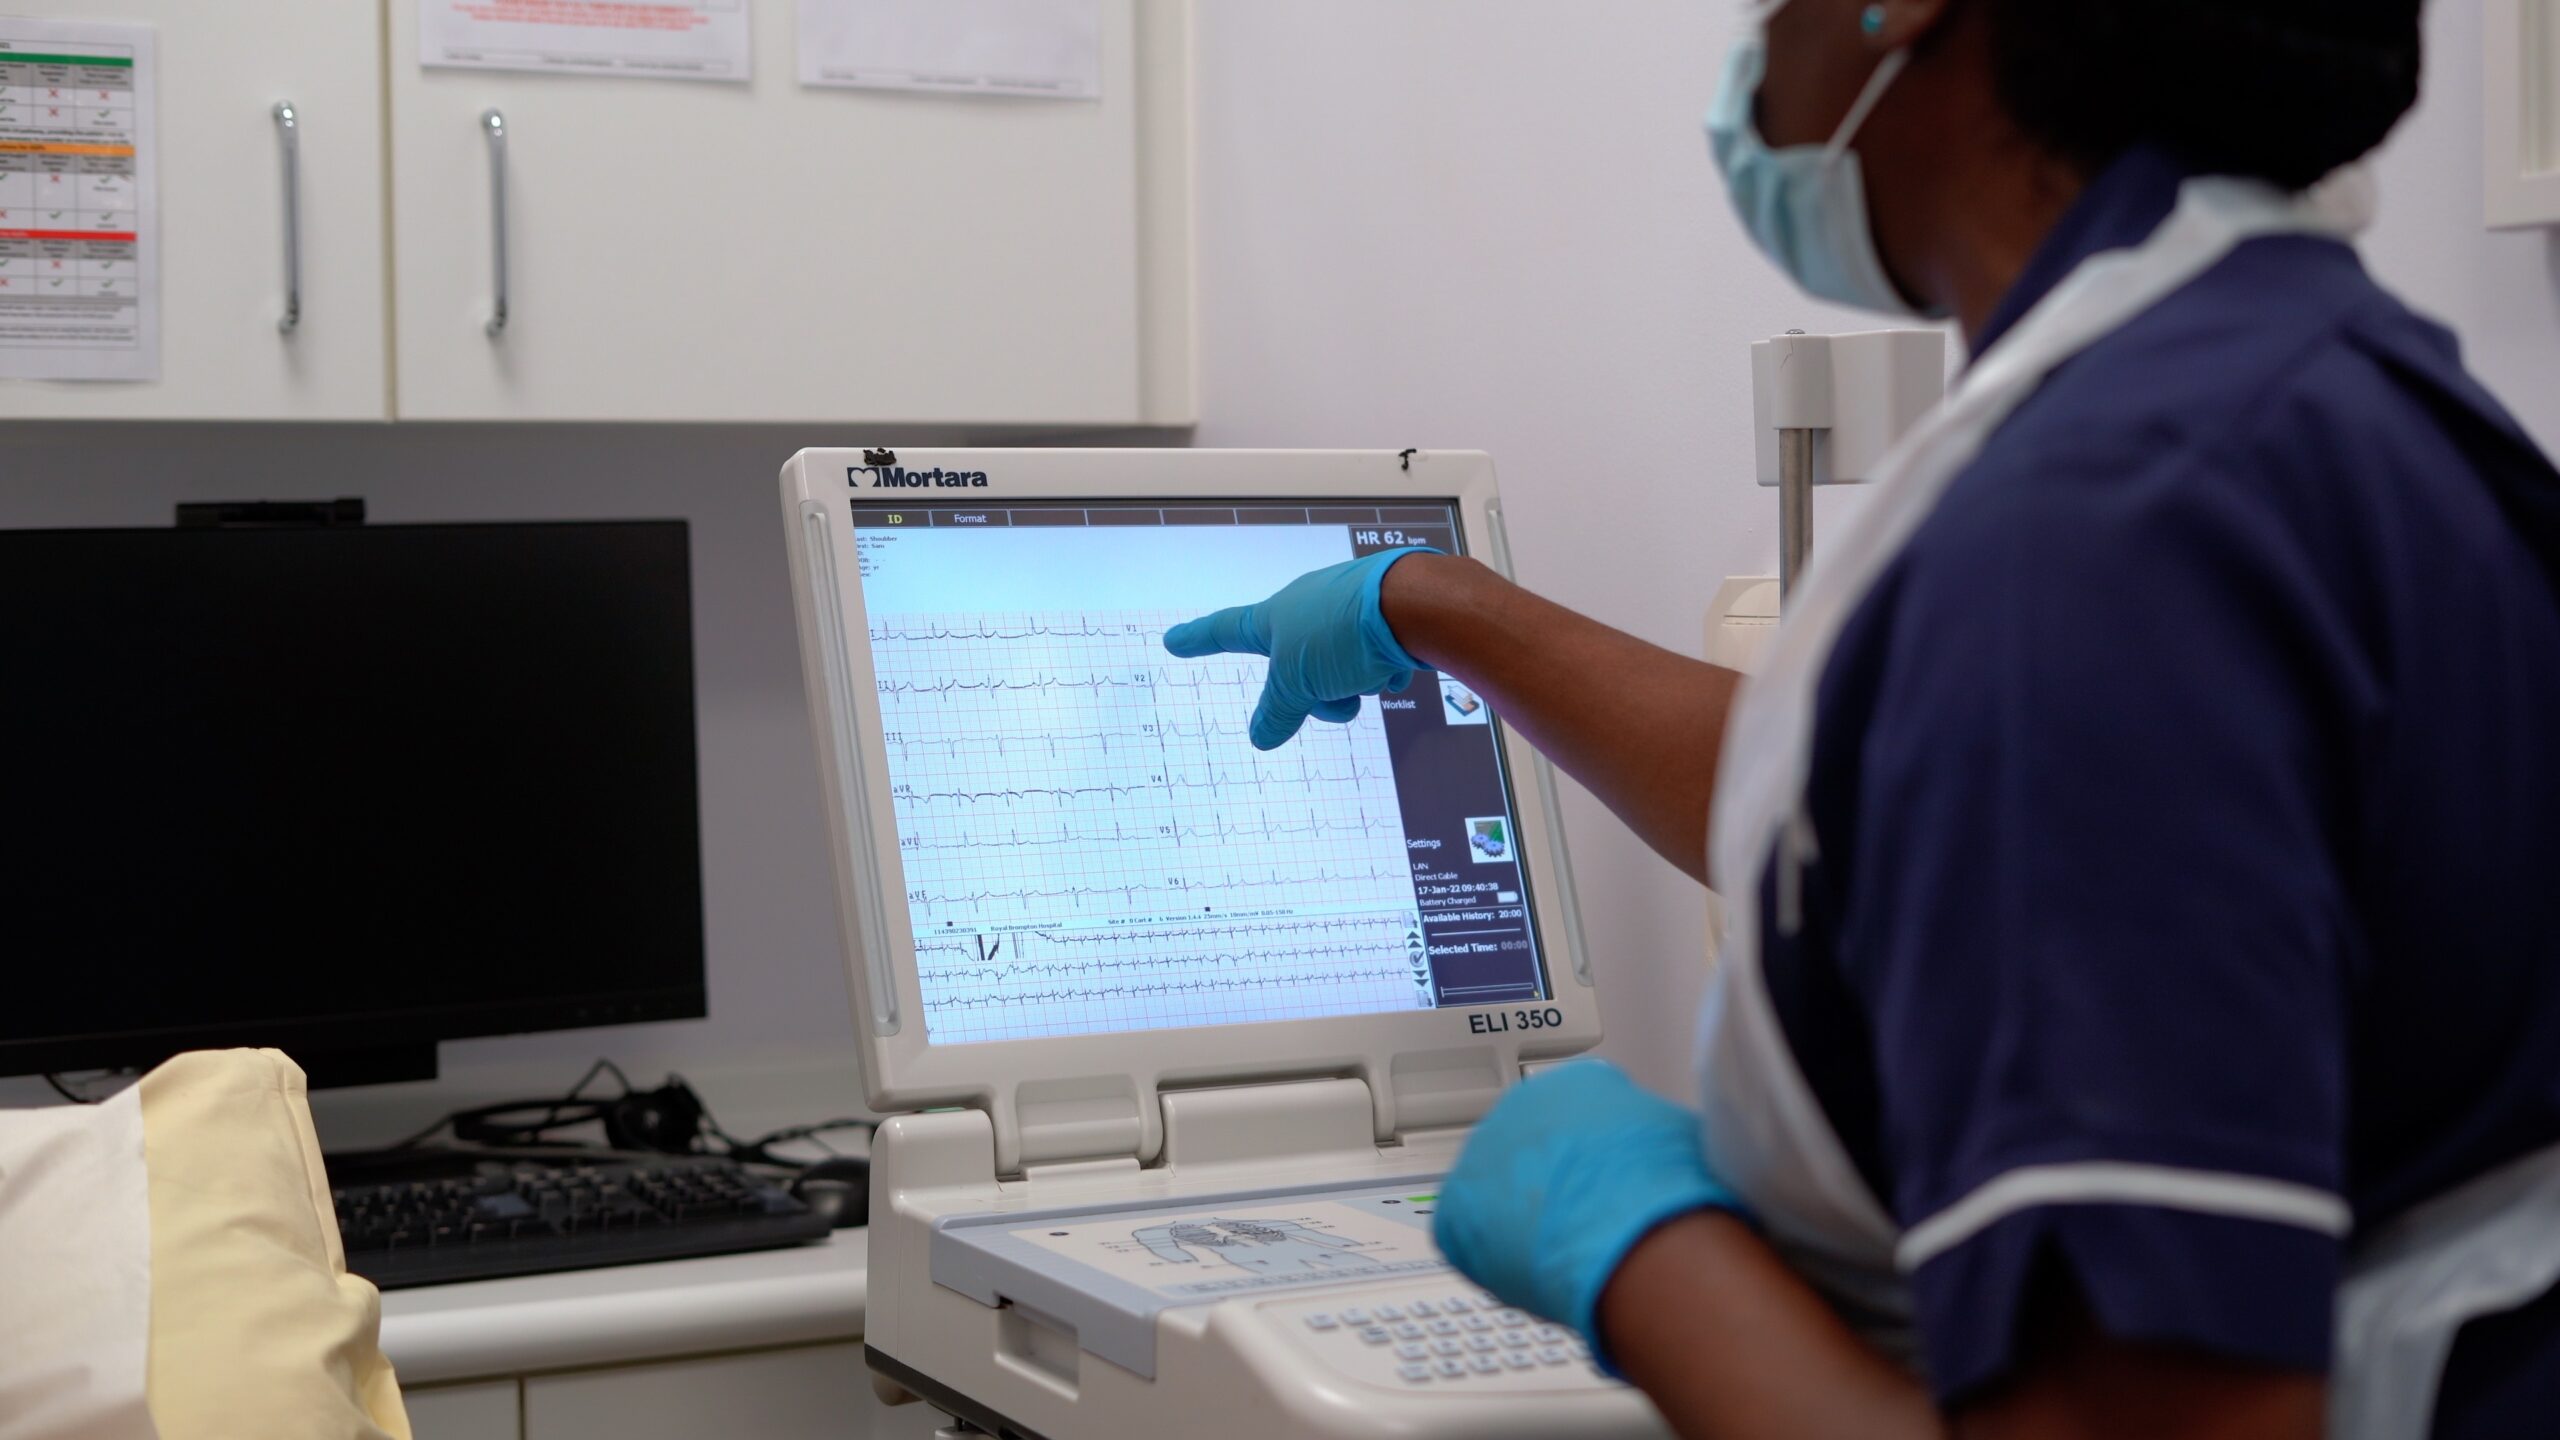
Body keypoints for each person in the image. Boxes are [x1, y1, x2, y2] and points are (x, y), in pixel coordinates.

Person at [1160, 0, 2560, 1435]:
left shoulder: (2106, 533)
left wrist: (1645, 1256)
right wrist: (1437, 609)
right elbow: (1931, 816)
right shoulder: (2327, 398)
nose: (1758, 45)